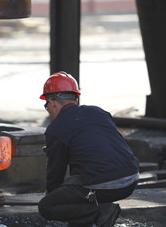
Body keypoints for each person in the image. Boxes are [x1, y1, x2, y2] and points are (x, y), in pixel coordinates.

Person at [38, 71, 139, 227]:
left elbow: (55, 171)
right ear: (75, 99)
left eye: (46, 105)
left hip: (105, 184)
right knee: (78, 188)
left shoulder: (56, 129)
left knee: (46, 206)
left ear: (52, 102)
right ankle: (91, 218)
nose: (48, 109)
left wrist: (52, 195)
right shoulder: (99, 112)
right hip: (132, 178)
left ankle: (103, 211)